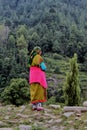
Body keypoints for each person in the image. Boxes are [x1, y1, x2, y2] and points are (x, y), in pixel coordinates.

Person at [28, 46, 48, 111]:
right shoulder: (38, 57)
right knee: (39, 89)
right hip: (38, 76)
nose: (41, 52)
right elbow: (43, 67)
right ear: (38, 51)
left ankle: (34, 105)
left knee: (33, 89)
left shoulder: (31, 58)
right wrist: (44, 68)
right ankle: (39, 105)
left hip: (32, 76)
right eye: (40, 51)